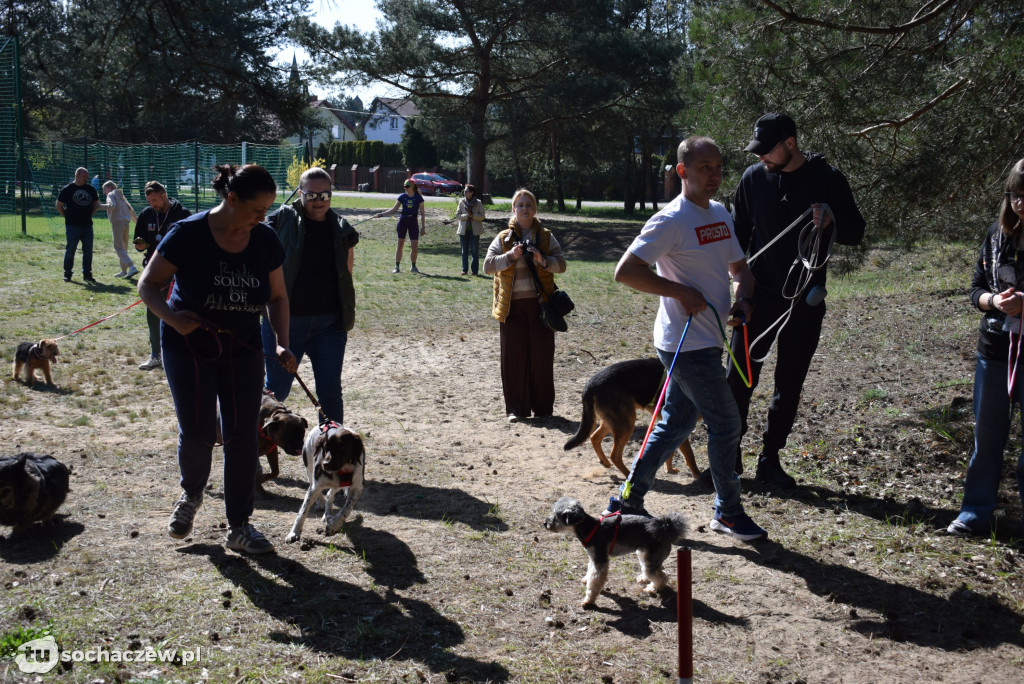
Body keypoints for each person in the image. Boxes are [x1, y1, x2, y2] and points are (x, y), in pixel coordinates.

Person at [606, 136, 766, 542]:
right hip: (683, 343)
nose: (714, 176)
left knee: (676, 422)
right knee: (727, 424)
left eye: (718, 168)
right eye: (704, 168)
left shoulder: (719, 214)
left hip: (710, 339)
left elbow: (740, 271)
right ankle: (727, 512)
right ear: (682, 171)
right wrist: (680, 292)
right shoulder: (670, 221)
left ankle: (628, 500)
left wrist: (743, 300)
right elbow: (626, 272)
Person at [137, 164, 297, 555]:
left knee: (243, 435)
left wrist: (280, 342)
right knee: (198, 431)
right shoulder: (187, 233)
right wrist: (173, 318)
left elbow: (277, 296)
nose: (263, 219)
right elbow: (149, 285)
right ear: (231, 199)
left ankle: (240, 525)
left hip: (242, 348)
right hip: (189, 346)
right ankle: (191, 496)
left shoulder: (263, 239)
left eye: (267, 211)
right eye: (257, 210)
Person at [727, 113, 865, 488]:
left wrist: (832, 219)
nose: (761, 159)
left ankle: (770, 460)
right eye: (757, 151)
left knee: (789, 382)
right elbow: (737, 235)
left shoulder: (827, 179)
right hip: (756, 295)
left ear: (791, 143)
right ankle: (729, 459)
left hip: (804, 298)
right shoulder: (753, 178)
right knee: (738, 376)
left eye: (767, 150)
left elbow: (856, 231)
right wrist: (736, 284)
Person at [947, 159, 1024, 538]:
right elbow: (976, 288)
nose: (1021, 204)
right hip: (993, 351)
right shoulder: (997, 235)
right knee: (987, 437)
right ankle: (975, 512)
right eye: (1015, 195)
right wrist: (994, 301)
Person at [260, 166, 358, 424]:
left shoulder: (341, 229)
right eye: (311, 195)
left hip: (330, 326)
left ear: (331, 195)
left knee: (330, 393)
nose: (318, 201)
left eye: (324, 195)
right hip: (286, 324)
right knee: (276, 392)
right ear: (300, 194)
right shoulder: (279, 220)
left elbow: (346, 273)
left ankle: (332, 453)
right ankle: (254, 445)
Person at [483, 188, 566, 423]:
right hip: (511, 308)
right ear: (513, 209)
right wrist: (510, 256)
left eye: (529, 204)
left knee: (541, 358)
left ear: (535, 208)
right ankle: (516, 411)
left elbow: (561, 264)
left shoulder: (546, 237)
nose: (524, 209)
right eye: (520, 205)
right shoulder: (503, 238)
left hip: (541, 308)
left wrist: (543, 260)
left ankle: (543, 410)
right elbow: (487, 266)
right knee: (513, 360)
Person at [133, 181, 192, 370]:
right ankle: (155, 354)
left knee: (179, 310)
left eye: (155, 200)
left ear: (164, 195)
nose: (152, 204)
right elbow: (139, 239)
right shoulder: (146, 214)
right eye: (149, 201)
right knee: (154, 311)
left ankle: (183, 352)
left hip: (178, 271)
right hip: (154, 270)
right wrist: (140, 245)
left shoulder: (182, 214)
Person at [56, 167, 100, 283]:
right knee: (70, 249)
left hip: (87, 225)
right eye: (83, 176)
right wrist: (66, 216)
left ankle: (87, 274)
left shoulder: (91, 189)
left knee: (88, 250)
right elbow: (59, 205)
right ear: (77, 176)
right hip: (72, 225)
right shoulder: (67, 189)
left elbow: (96, 204)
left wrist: (90, 214)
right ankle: (67, 274)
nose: (86, 179)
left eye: (87, 177)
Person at [375, 178, 426, 273]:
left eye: (407, 186)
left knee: (414, 246)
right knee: (400, 244)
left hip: (413, 222)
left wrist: (423, 227)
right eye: (404, 186)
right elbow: (393, 210)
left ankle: (413, 267)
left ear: (413, 187)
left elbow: (423, 214)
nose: (405, 188)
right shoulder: (402, 197)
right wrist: (381, 214)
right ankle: (397, 267)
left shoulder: (419, 198)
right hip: (403, 221)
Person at [100, 181, 139, 279]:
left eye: (105, 189)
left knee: (118, 247)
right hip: (126, 223)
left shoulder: (110, 194)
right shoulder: (121, 195)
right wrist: (137, 222)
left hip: (117, 223)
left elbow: (112, 206)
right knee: (124, 248)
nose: (104, 192)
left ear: (109, 188)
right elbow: (130, 209)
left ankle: (131, 267)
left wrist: (98, 206)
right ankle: (124, 271)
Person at [455, 184, 486, 276]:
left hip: (474, 231)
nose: (464, 193)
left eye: (466, 191)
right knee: (464, 251)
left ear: (471, 193)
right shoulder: (461, 202)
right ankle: (464, 270)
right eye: (464, 191)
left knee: (474, 251)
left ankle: (474, 271)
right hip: (463, 230)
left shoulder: (478, 203)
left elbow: (482, 216)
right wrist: (467, 216)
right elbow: (457, 215)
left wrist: (473, 216)